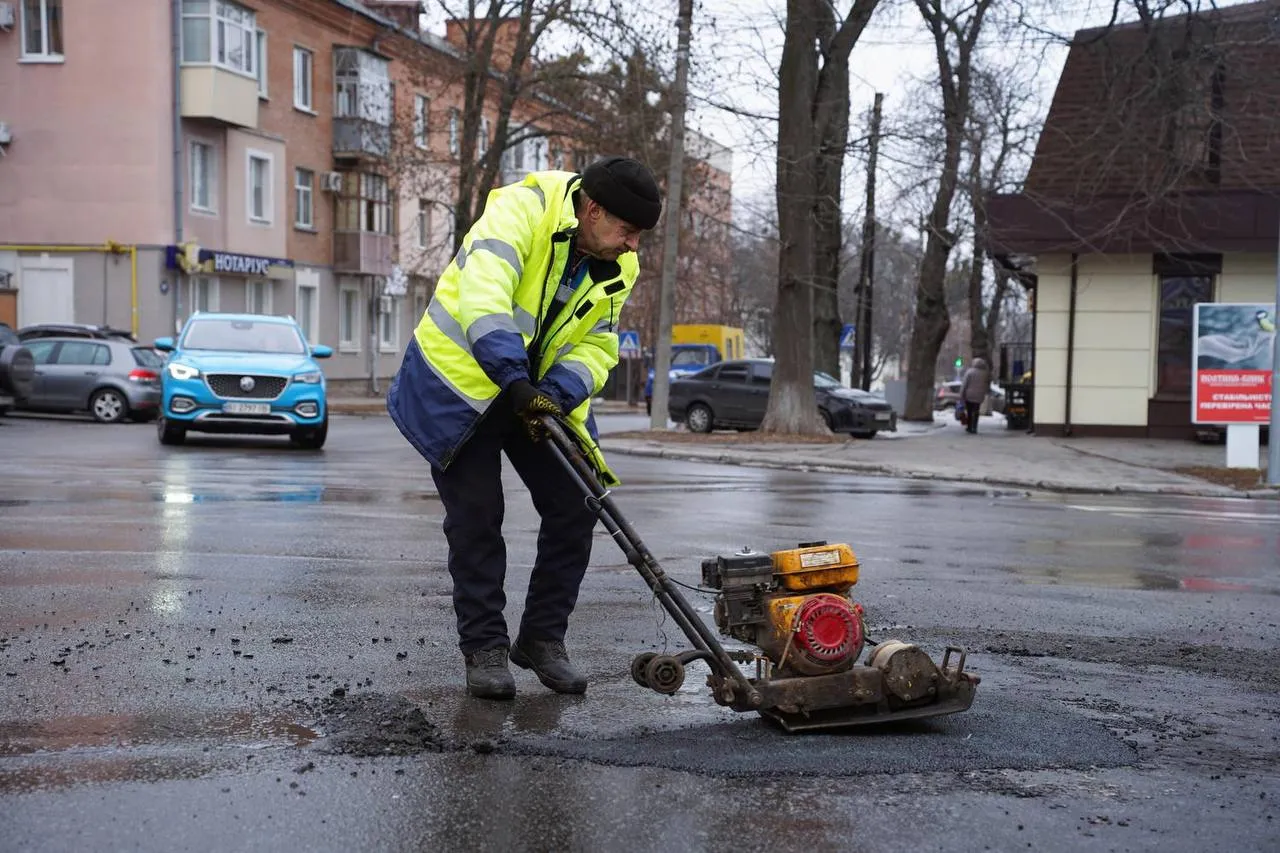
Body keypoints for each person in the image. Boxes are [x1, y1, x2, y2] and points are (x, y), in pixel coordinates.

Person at [387, 157, 662, 700]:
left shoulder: (620, 264)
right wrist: (514, 379)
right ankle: (484, 648)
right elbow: (484, 297)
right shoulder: (520, 209)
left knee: (578, 503)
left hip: (533, 390)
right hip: (461, 382)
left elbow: (598, 344)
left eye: (639, 235)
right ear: (593, 210)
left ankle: (541, 638)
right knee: (477, 515)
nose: (633, 246)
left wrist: (554, 393)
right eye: (627, 230)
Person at [959, 357, 991, 434]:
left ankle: (969, 427)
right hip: (979, 396)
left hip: (969, 395)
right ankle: (975, 427)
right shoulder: (985, 373)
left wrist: (961, 394)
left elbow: (964, 384)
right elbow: (987, 385)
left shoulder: (969, 372)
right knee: (976, 411)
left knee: (969, 411)